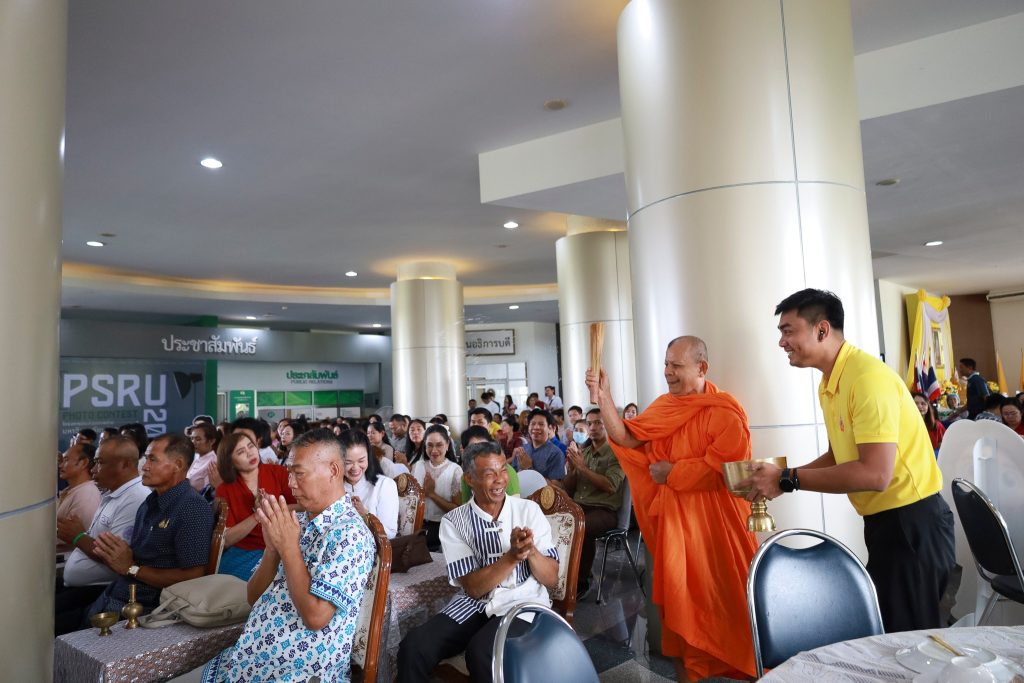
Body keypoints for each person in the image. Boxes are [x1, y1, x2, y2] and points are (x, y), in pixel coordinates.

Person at [743, 288, 955, 634]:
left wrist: (787, 478)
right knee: (890, 633)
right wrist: (782, 478)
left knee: (913, 639)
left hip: (912, 523)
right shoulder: (831, 382)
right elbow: (838, 456)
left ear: (821, 330)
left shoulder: (866, 378)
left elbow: (874, 474)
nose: (782, 342)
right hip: (885, 523)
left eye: (788, 331)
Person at [587, 336, 758, 682]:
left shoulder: (725, 411)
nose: (667, 372)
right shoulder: (665, 407)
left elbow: (727, 470)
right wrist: (604, 397)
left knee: (733, 604)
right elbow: (626, 437)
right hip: (677, 528)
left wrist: (672, 472)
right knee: (682, 606)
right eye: (666, 364)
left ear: (702, 368)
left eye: (676, 366)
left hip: (721, 529)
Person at [203, 429, 375, 683]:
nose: (291, 483)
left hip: (297, 671)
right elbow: (253, 596)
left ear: (333, 470)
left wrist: (288, 548)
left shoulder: (349, 533)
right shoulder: (300, 520)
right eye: (290, 473)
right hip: (253, 659)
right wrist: (272, 550)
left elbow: (316, 618)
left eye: (299, 473)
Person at [397, 441, 559, 683]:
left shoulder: (528, 510)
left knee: (482, 652)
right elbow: (473, 588)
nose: (500, 480)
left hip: (521, 602)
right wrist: (512, 556)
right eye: (490, 474)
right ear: (469, 479)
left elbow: (552, 579)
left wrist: (531, 551)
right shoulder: (455, 521)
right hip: (474, 604)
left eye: (503, 470)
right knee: (414, 646)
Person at [83, 434, 214, 621]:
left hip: (146, 609)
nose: (144, 466)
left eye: (152, 459)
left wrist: (131, 567)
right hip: (118, 594)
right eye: (146, 458)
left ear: (177, 464)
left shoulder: (191, 508)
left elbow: (193, 577)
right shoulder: (149, 503)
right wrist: (117, 554)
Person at [55, 437, 150, 635]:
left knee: (46, 627)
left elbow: (114, 557)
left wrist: (77, 537)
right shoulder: (112, 493)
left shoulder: (134, 498)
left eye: (99, 462)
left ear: (124, 464)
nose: (93, 469)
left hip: (99, 589)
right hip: (81, 587)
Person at [214, 431, 297, 579]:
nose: (250, 453)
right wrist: (258, 515)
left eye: (251, 446)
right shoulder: (225, 489)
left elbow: (304, 507)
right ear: (230, 461)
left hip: (282, 544)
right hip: (245, 551)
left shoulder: (278, 472)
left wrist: (273, 508)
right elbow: (226, 540)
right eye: (241, 452)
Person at [560, 408, 624, 598]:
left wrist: (582, 467)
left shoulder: (616, 452)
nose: (593, 427)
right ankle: (559, 576)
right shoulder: (584, 452)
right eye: (590, 423)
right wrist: (573, 469)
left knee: (581, 526)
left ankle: (581, 582)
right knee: (554, 521)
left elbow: (611, 486)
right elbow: (569, 488)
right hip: (579, 506)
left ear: (608, 426)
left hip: (604, 510)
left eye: (598, 423)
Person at [410, 424, 463, 550]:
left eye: (439, 445)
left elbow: (457, 509)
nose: (434, 450)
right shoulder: (418, 466)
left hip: (443, 529)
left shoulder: (455, 470)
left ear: (447, 445)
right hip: (418, 527)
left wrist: (432, 494)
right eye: (430, 445)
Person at [342, 429, 399, 539]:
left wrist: (365, 516)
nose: (355, 468)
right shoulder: (332, 487)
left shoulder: (384, 485)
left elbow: (390, 534)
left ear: (368, 457)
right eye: (348, 462)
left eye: (361, 461)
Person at [56, 443, 101, 553]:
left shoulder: (87, 495)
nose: (60, 465)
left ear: (83, 463)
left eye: (66, 460)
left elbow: (78, 541)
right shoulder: (73, 490)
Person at [459, 425, 520, 503]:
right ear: (464, 451)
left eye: (486, 447)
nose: (481, 452)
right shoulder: (467, 476)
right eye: (474, 448)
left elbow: (515, 506)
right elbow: (466, 505)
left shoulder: (507, 472)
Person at [511, 409, 566, 480]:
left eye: (541, 424)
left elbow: (556, 485)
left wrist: (529, 468)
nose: (536, 427)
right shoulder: (522, 450)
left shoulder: (555, 454)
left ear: (549, 428)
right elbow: (513, 476)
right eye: (533, 424)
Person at [186, 422, 220, 493]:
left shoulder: (213, 463)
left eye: (198, 439)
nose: (193, 442)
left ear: (211, 441)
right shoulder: (196, 456)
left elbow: (207, 492)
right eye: (192, 438)